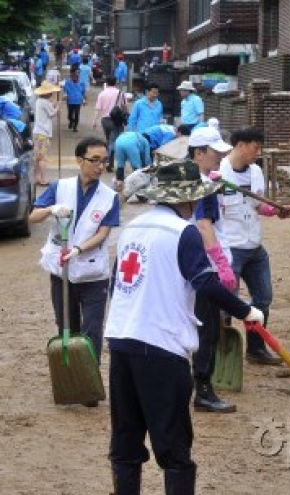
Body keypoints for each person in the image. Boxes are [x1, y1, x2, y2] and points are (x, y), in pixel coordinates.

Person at [104, 160, 265, 494]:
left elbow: (115, 285)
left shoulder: (131, 229)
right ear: (189, 199)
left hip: (121, 342)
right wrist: (245, 310)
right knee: (174, 447)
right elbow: (205, 283)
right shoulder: (183, 232)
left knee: (126, 442)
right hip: (161, 348)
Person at [29, 137, 119, 377]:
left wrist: (78, 249)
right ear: (80, 161)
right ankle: (69, 376)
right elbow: (33, 216)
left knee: (92, 330)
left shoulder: (109, 196)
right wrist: (50, 209)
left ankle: (89, 379)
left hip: (93, 274)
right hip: (62, 273)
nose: (100, 166)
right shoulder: (60, 187)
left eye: (105, 161)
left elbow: (102, 234)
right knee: (66, 325)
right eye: (95, 160)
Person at [219, 127, 290, 365]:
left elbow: (258, 206)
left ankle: (256, 348)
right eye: (255, 147)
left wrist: (276, 210)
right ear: (240, 145)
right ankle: (222, 353)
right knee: (226, 304)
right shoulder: (218, 174)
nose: (258, 153)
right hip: (230, 248)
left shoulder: (257, 172)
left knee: (263, 299)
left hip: (254, 246)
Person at [186, 126, 238, 412]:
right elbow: (204, 225)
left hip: (186, 263)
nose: (220, 157)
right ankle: (203, 390)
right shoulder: (202, 186)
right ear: (198, 153)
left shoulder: (188, 178)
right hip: (204, 265)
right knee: (207, 328)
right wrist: (220, 264)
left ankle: (190, 383)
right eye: (215, 153)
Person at [32, 81, 60, 186]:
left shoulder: (39, 101)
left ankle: (37, 177)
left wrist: (54, 104)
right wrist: (58, 107)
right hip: (42, 133)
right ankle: (43, 179)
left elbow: (49, 108)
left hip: (38, 132)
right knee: (42, 158)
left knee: (37, 157)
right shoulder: (44, 102)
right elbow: (52, 113)